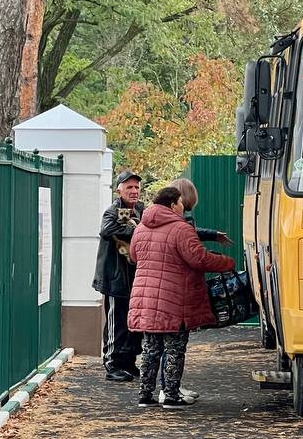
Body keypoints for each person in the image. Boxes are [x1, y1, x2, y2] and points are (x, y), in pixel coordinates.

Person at [128, 185, 235, 409]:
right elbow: (199, 259)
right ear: (173, 203)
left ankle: (145, 395)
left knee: (150, 348)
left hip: (145, 297)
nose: (182, 207)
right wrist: (227, 263)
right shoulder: (180, 228)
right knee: (175, 348)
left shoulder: (141, 227)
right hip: (174, 298)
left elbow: (134, 255)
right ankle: (170, 395)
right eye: (180, 203)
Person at [93, 170, 144, 383]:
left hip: (134, 276)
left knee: (133, 323)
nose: (133, 191)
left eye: (136, 187)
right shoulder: (113, 210)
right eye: (129, 187)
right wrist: (136, 230)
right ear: (119, 190)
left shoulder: (141, 209)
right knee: (117, 322)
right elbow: (106, 230)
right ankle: (113, 364)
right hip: (115, 278)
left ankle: (128, 361)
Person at [168, 178, 233, 248]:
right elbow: (192, 253)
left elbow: (189, 232)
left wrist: (213, 234)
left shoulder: (167, 217)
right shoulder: (178, 221)